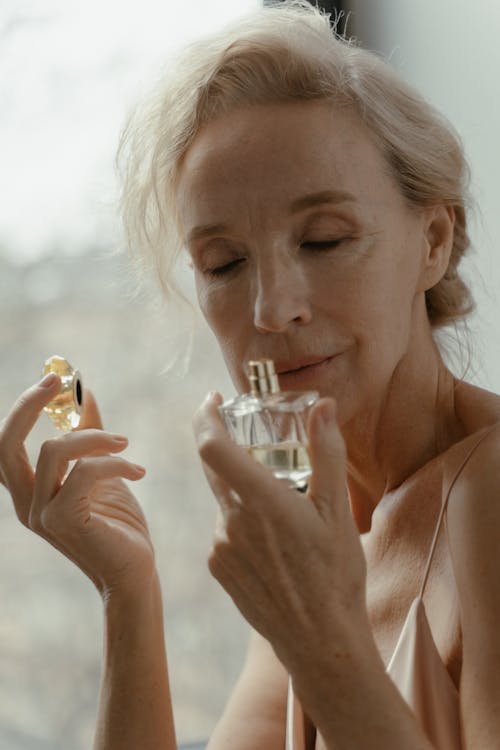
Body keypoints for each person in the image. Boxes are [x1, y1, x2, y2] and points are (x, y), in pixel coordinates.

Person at [1, 1, 499, 748]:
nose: (271, 308)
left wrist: (317, 635)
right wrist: (124, 588)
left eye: (325, 239)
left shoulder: (487, 494)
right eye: (223, 263)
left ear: (433, 240)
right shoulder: (314, 532)